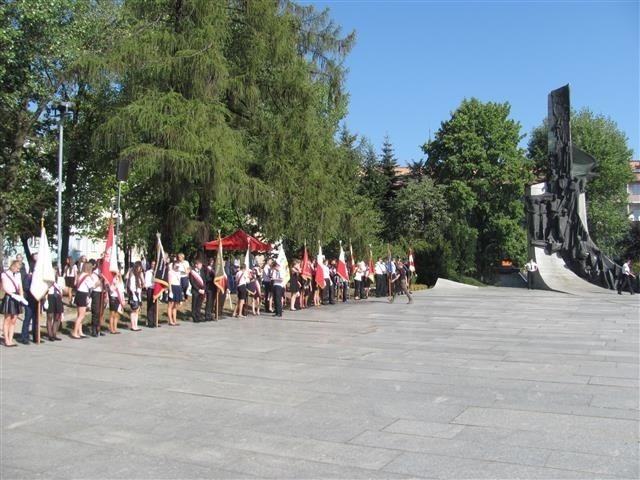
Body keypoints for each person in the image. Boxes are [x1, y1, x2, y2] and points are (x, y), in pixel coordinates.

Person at [2, 260, 26, 347]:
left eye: (19, 269)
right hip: (9, 296)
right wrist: (12, 294)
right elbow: (4, 287)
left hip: (17, 296)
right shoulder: (5, 274)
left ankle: (11, 339)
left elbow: (20, 286)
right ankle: (6, 340)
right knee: (7, 319)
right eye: (17, 268)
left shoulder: (18, 275)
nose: (18, 270)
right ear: (13, 266)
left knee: (14, 319)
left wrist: (21, 297)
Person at [19, 253, 40, 344]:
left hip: (37, 299)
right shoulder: (29, 277)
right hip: (30, 300)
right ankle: (24, 337)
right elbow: (26, 287)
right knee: (28, 318)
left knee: (36, 319)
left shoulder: (39, 278)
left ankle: (36, 336)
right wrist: (33, 289)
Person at [72, 262, 96, 338]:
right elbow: (92, 286)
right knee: (81, 315)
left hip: (78, 294)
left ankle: (80, 331)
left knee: (79, 314)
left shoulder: (81, 275)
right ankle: (75, 332)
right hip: (83, 294)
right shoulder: (87, 277)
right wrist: (98, 281)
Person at [46, 265, 64, 341]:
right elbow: (46, 289)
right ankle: (50, 334)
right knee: (50, 316)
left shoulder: (60, 278)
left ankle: (54, 333)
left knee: (57, 316)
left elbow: (63, 288)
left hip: (58, 297)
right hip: (50, 296)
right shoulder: (48, 279)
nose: (55, 271)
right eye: (53, 269)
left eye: (56, 269)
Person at [90, 260, 106, 337]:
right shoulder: (94, 273)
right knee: (96, 311)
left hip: (102, 292)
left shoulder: (103, 273)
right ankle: (93, 329)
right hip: (96, 292)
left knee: (101, 311)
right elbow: (93, 286)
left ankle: (99, 329)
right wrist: (101, 279)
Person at [128, 261, 144, 330]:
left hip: (138, 293)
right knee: (134, 310)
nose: (140, 269)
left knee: (137, 310)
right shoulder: (132, 275)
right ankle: (133, 325)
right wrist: (134, 295)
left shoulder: (138, 275)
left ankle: (135, 325)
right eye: (140, 267)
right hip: (133, 293)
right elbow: (131, 286)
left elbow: (140, 285)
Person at [166, 261, 182, 325]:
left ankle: (175, 320)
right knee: (171, 305)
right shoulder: (170, 272)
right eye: (175, 265)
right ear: (173, 265)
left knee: (175, 305)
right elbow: (169, 282)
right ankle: (170, 320)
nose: (177, 266)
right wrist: (170, 291)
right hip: (172, 287)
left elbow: (180, 281)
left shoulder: (179, 272)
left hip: (178, 287)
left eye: (178, 265)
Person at [144, 260, 157, 327]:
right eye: (152, 264)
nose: (153, 265)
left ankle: (155, 321)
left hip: (156, 290)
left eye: (155, 264)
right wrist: (146, 287)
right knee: (150, 305)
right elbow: (146, 281)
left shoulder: (157, 273)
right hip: (150, 289)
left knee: (155, 306)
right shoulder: (148, 272)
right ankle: (150, 322)